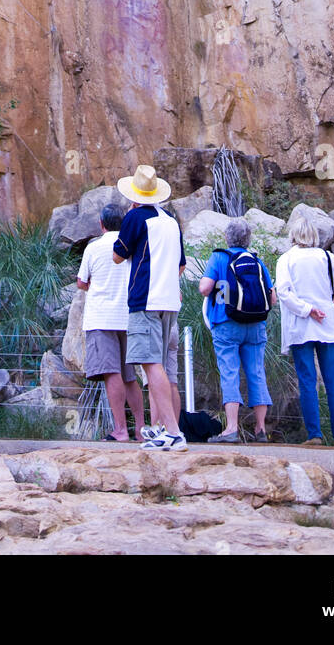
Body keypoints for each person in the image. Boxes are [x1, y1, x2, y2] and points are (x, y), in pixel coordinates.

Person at [112, 164, 187, 451]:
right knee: (161, 366)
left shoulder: (135, 218)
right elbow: (181, 265)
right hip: (169, 300)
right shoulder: (170, 221)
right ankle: (161, 429)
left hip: (145, 299)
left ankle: (172, 431)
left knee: (150, 363)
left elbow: (119, 255)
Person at [275, 213, 334, 446]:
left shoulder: (286, 259)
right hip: (327, 326)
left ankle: (314, 435)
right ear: (314, 235)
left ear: (293, 235)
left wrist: (307, 310)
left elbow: (283, 292)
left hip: (301, 326)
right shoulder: (326, 256)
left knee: (307, 380)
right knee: (333, 381)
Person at [199, 218, 275, 443]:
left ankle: (231, 428)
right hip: (255, 326)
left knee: (230, 372)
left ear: (226, 237)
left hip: (226, 323)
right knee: (257, 372)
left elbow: (205, 288)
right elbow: (272, 297)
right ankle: (261, 429)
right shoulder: (256, 261)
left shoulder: (219, 257)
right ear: (248, 239)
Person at [77, 204, 145, 442]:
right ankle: (140, 428)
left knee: (111, 372)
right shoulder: (133, 245)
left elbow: (81, 282)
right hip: (129, 316)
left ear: (101, 223)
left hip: (102, 317)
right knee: (130, 376)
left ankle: (120, 429)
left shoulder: (93, 248)